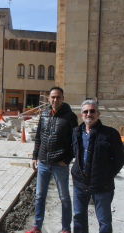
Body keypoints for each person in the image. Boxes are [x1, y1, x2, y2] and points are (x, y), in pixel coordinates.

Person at [26, 86, 78, 233]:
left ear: (63, 98)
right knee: (39, 196)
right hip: (43, 162)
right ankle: (37, 227)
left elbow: (76, 141)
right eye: (53, 97)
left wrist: (67, 159)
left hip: (60, 164)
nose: (55, 99)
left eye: (58, 97)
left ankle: (66, 229)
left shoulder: (70, 117)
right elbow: (38, 138)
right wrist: (35, 156)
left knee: (64, 198)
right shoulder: (44, 114)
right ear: (49, 98)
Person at [71, 100, 124, 233]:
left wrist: (106, 175)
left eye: (92, 111)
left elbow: (119, 159)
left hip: (102, 186)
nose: (89, 114)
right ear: (81, 114)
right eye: (86, 111)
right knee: (78, 218)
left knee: (104, 220)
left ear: (98, 113)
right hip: (79, 184)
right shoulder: (76, 132)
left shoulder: (110, 134)